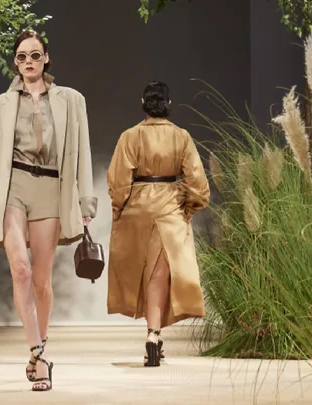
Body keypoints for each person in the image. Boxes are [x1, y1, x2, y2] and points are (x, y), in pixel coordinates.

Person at [0, 29, 97, 391]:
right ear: (15, 63)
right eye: (21, 57)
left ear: (46, 58)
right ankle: (37, 353)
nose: (28, 62)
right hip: (13, 188)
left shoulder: (71, 100)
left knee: (42, 281)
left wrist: (85, 202)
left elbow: (83, 151)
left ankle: (38, 351)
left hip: (50, 188)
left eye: (34, 55)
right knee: (22, 270)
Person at [106, 81, 210, 367]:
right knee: (160, 275)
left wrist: (119, 209)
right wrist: (188, 208)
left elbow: (118, 183)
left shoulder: (130, 136)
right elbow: (197, 183)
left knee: (143, 274)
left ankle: (153, 335)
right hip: (170, 207)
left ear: (143, 102)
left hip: (137, 209)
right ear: (168, 103)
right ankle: (153, 335)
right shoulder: (182, 137)